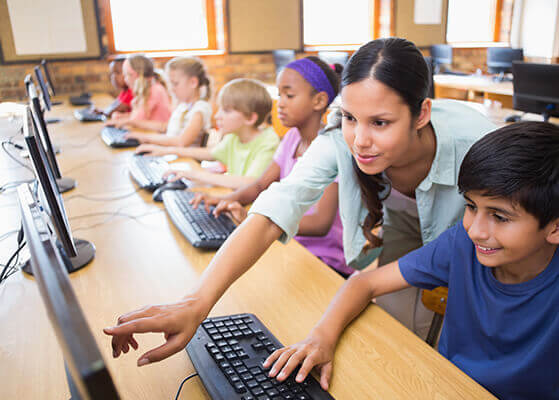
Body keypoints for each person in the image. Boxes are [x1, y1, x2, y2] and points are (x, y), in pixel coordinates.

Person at [103, 38, 496, 366]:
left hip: (474, 231)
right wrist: (195, 302)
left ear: (421, 113)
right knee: (394, 331)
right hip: (402, 214)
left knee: (463, 321)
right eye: (350, 118)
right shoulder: (341, 140)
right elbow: (278, 204)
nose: (359, 139)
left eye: (380, 122)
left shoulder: (476, 144)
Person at [264, 121, 559, 400]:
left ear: (554, 226)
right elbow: (364, 283)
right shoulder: (461, 243)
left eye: (499, 216)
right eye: (470, 206)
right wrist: (320, 338)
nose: (476, 230)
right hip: (444, 389)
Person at [190, 56, 352, 277]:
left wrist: (254, 219)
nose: (280, 103)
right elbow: (260, 185)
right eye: (279, 95)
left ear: (319, 101)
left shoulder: (331, 148)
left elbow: (319, 223)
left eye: (289, 95)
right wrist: (226, 200)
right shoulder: (292, 137)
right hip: (287, 243)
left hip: (323, 260)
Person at [136, 78, 279, 190]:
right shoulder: (235, 135)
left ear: (250, 118)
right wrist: (165, 150)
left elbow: (249, 182)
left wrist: (196, 175)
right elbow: (210, 153)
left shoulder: (268, 142)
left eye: (226, 111)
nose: (217, 116)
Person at [125, 56, 212, 147]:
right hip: (171, 154)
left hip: (184, 159)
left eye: (175, 84)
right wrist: (131, 122)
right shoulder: (183, 106)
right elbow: (164, 127)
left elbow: (181, 142)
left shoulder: (200, 109)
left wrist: (146, 138)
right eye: (170, 84)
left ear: (193, 82)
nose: (171, 89)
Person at [106, 55, 172, 128]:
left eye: (126, 75)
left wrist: (124, 120)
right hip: (150, 133)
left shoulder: (154, 91)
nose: (125, 80)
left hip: (157, 135)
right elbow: (141, 116)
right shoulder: (147, 89)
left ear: (134, 75)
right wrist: (122, 116)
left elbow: (137, 120)